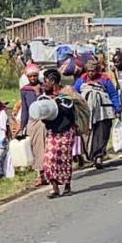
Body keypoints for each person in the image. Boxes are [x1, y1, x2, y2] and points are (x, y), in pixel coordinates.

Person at [74, 61, 121, 168]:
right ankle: (89, 155)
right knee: (89, 134)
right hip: (87, 112)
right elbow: (75, 95)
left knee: (102, 133)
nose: (91, 73)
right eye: (89, 71)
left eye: (93, 71)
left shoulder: (105, 79)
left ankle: (98, 156)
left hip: (104, 111)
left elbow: (113, 94)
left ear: (97, 70)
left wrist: (117, 107)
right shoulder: (81, 81)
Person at [41, 69, 76, 198]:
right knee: (49, 160)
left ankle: (67, 185)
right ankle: (55, 188)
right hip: (52, 132)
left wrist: (56, 102)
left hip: (66, 131)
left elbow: (68, 111)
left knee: (64, 159)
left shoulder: (65, 95)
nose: (44, 84)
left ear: (53, 81)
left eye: (45, 81)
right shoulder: (45, 96)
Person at [18, 64, 46, 186]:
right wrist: (22, 127)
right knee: (35, 149)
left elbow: (44, 104)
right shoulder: (25, 90)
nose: (33, 78)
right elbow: (25, 109)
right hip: (32, 122)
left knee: (46, 147)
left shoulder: (44, 87)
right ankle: (39, 174)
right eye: (31, 76)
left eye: (35, 76)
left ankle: (48, 173)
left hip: (44, 120)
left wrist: (39, 93)